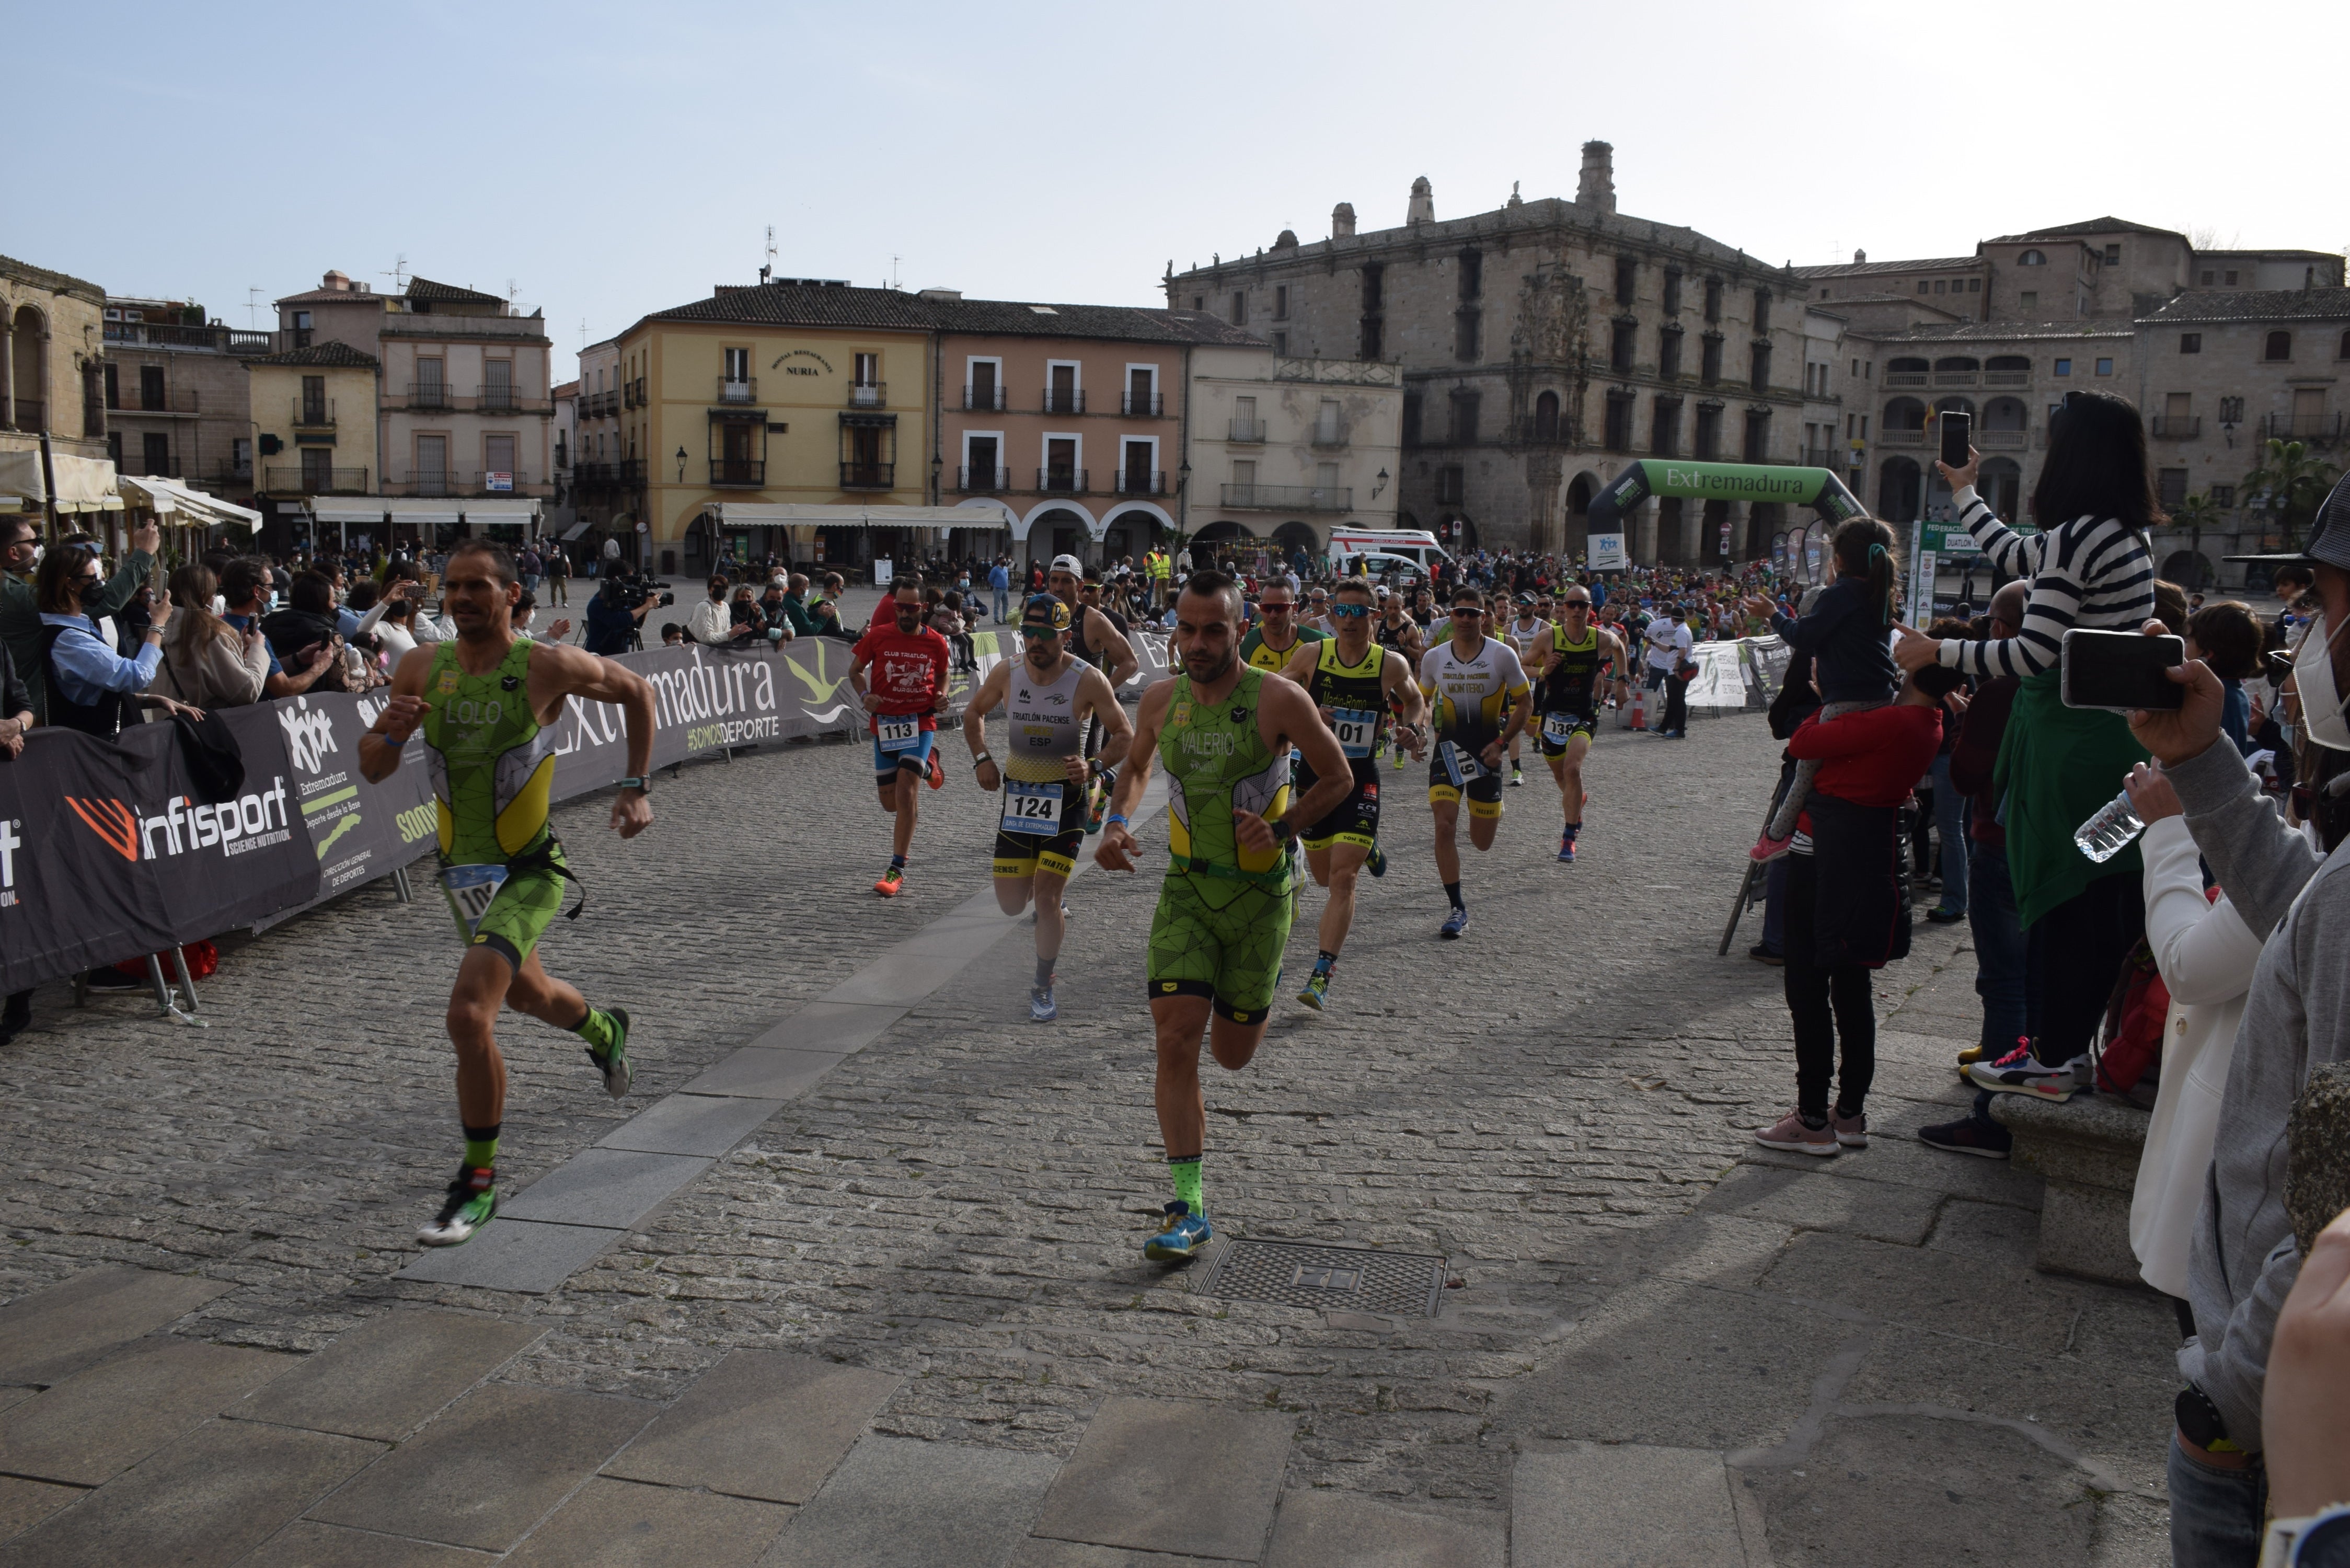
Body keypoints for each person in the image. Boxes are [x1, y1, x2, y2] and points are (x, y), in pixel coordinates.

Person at [2127, 475, 2350, 1563]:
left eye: (2322, 603)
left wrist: (2225, 1398)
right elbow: (2308, 914)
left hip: (2272, 1417)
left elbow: (2331, 1195)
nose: (2303, 635)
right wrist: (2203, 762)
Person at [359, 538, 655, 1249]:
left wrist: (635, 787)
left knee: (469, 1015)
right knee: (525, 994)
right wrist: (390, 736)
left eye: (477, 587)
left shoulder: (546, 665)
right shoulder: (420, 665)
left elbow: (637, 692)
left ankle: (478, 1182)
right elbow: (371, 768)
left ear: (511, 595)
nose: (461, 598)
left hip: (530, 870)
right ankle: (604, 1031)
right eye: (452, 587)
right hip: (464, 875)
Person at [1901, 403, 2160, 1102]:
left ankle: (2051, 1055)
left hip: (2069, 749)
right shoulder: (2124, 535)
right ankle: (2065, 1051)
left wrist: (1937, 652)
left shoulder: (2078, 536)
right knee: (2092, 898)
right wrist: (1964, 490)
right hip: (2108, 743)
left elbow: (2032, 652)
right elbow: (2018, 555)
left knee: (2059, 900)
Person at [1095, 571, 1353, 1260]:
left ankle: (1256, 993)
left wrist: (1285, 827)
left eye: (1214, 630)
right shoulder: (1161, 699)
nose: (1198, 643)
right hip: (1186, 892)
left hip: (1260, 900)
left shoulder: (1280, 698)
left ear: (1241, 630)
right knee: (1175, 1038)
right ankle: (1189, 1207)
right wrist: (1116, 824)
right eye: (1187, 629)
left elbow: (1339, 777)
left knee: (1232, 1055)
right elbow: (1136, 768)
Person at [1754, 656, 1962, 1155]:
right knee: (1852, 990)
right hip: (1867, 860)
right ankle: (1849, 1114)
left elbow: (1803, 742)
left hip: (1823, 861)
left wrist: (1828, 698)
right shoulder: (1929, 720)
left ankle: (1811, 1117)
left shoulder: (1893, 720)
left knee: (1807, 989)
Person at [2119, 760, 2263, 1309]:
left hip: (2239, 1154)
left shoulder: (2321, 862)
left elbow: (2188, 968)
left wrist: (2168, 832)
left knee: (2206, 1326)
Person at [964, 594, 1133, 1020]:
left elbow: (1125, 734)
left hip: (1067, 802)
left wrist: (1094, 766)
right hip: (1019, 799)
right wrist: (982, 759)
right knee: (1011, 904)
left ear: (1065, 636)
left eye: (1045, 634)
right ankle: (1037, 889)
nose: (1035, 641)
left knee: (1047, 899)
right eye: (1029, 633)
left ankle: (1042, 983)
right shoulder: (1008, 671)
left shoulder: (1088, 678)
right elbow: (973, 713)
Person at [1276, 576, 1427, 1010]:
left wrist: (1413, 729)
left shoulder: (1389, 665)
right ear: (1332, 614)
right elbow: (1275, 692)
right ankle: (1369, 847)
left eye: (1359, 611)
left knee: (1344, 879)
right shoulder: (1313, 655)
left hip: (1361, 777)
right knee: (1324, 876)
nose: (1349, 619)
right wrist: (1308, 708)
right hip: (1316, 777)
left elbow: (1416, 701)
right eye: (1342, 610)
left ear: (1373, 616)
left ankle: (1322, 974)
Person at [1744, 520, 1903, 860]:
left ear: (1839, 560)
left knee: (1805, 767)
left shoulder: (1840, 595)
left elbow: (1803, 637)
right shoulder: (1881, 593)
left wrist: (1774, 615)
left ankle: (1777, 835)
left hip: (1848, 699)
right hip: (1882, 694)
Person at [1419, 586, 1532, 939]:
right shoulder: (1435, 657)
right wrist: (1418, 728)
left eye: (1473, 613)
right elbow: (1422, 701)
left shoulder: (1502, 655)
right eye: (1460, 612)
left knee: (1482, 842)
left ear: (1484, 617)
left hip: (1488, 753)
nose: (1466, 619)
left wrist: (1502, 743)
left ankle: (1493, 806)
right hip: (1449, 751)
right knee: (1444, 827)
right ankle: (1457, 907)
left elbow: (1525, 703)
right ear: (1450, 616)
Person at [2, 513, 158, 723]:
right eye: (34, 541)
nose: (39, 547)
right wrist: (144, 553)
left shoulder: (17, 589)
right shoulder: (15, 594)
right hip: (35, 713)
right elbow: (106, 600)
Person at [849, 578, 952, 897]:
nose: (904, 614)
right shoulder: (878, 636)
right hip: (885, 725)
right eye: (899, 608)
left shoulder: (936, 642)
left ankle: (896, 869)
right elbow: (855, 671)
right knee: (890, 803)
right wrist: (865, 695)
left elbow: (944, 674)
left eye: (911, 608)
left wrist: (942, 695)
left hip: (920, 722)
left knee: (907, 790)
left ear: (924, 607)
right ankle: (929, 763)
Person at [34, 543, 201, 737]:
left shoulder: (77, 627)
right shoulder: (70, 639)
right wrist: (158, 623)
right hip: (97, 745)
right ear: (69, 583)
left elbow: (97, 690)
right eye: (92, 579)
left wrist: (152, 699)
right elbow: (138, 676)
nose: (99, 585)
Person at [1526, 585, 1628, 863]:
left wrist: (1622, 682)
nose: (1577, 610)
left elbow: (1620, 648)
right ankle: (1577, 800)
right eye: (1572, 605)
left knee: (1573, 769)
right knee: (1562, 778)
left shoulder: (1600, 638)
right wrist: (1543, 670)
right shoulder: (1549, 637)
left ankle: (1569, 838)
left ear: (1590, 608)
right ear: (1564, 607)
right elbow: (1522, 666)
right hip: (1553, 717)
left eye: (1582, 605)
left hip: (1584, 715)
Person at [149, 564, 271, 711]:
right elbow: (248, 691)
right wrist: (258, 649)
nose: (217, 598)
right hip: (201, 723)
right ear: (203, 595)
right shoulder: (209, 636)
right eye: (215, 592)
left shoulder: (157, 632)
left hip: (168, 722)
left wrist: (236, 652)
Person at [583, 562, 659, 655]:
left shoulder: (622, 599)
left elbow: (636, 624)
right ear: (617, 579)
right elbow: (619, 622)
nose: (631, 584)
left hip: (619, 654)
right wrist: (647, 606)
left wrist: (645, 605)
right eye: (629, 580)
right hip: (600, 656)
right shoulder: (598, 602)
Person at [687, 575, 745, 645]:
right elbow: (706, 638)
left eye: (723, 587)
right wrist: (729, 634)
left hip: (719, 649)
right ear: (709, 590)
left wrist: (737, 632)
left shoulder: (726, 606)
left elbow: (726, 631)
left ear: (727, 590)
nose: (720, 590)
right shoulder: (704, 607)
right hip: (701, 649)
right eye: (716, 587)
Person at [988, 557, 1013, 622]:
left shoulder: (1006, 568)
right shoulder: (995, 569)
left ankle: (1005, 619)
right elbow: (990, 579)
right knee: (997, 605)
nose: (1005, 562)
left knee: (1006, 605)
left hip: (1005, 589)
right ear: (999, 561)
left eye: (1005, 561)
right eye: (1003, 561)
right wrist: (995, 584)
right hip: (998, 590)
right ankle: (996, 619)